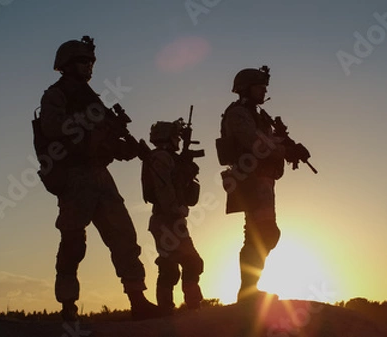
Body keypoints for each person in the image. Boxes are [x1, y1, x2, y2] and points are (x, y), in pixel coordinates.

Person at [35, 36, 161, 321]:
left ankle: (137, 299)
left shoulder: (92, 97)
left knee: (124, 237)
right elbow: (52, 127)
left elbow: (108, 139)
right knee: (73, 241)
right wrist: (88, 126)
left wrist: (124, 148)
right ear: (67, 64)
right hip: (75, 176)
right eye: (83, 61)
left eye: (90, 61)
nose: (88, 66)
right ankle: (68, 307)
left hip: (100, 175)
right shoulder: (56, 94)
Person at [216, 66, 289, 302]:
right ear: (247, 88)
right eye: (260, 86)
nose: (264, 90)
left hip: (262, 180)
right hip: (250, 179)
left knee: (261, 234)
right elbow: (253, 142)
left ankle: (249, 290)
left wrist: (289, 147)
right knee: (264, 233)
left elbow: (267, 140)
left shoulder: (255, 114)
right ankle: (248, 291)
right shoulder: (238, 113)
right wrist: (285, 149)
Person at [141, 121, 204, 315]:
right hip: (166, 217)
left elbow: (177, 185)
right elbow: (163, 188)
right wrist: (175, 209)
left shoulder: (170, 158)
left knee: (184, 262)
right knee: (177, 265)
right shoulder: (160, 157)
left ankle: (185, 306)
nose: (178, 140)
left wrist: (186, 170)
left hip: (171, 218)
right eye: (175, 136)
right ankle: (172, 308)